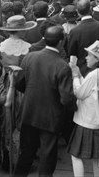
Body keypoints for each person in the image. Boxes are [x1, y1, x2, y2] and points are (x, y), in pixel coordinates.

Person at [14, 25, 76, 177]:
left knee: (26, 155)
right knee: (47, 159)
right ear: (61, 42)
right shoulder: (62, 66)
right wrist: (75, 107)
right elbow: (66, 97)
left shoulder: (29, 57)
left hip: (29, 113)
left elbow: (19, 83)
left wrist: (32, 94)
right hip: (50, 117)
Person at [68, 41, 99, 177]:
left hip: (86, 121)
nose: (86, 58)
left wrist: (75, 76)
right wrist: (79, 74)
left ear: (97, 59)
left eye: (89, 55)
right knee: (97, 157)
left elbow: (80, 93)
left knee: (75, 154)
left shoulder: (94, 74)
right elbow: (88, 89)